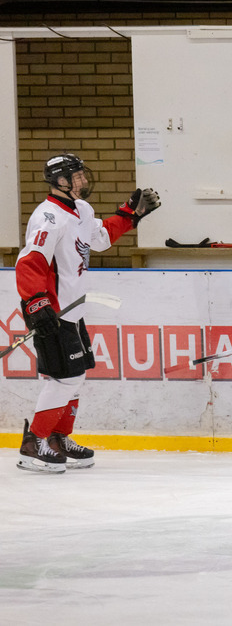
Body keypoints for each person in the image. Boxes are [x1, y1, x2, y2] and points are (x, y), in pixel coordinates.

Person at [15, 153, 161, 473]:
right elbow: (31, 263)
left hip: (73, 309)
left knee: (76, 378)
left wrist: (129, 214)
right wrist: (37, 304)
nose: (83, 180)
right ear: (60, 181)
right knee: (64, 379)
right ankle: (33, 443)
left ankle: (57, 437)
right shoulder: (48, 217)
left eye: (82, 174)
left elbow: (102, 239)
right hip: (52, 310)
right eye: (76, 175)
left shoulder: (82, 210)